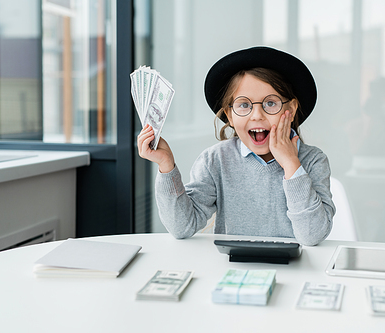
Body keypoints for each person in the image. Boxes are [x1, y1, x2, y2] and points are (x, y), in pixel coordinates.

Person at [137, 46, 335, 246]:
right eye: (244, 105)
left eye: (270, 103)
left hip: (295, 271)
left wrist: (292, 164)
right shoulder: (215, 160)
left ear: (291, 110)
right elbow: (182, 226)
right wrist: (166, 165)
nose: (257, 115)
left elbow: (313, 236)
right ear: (229, 115)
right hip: (233, 270)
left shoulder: (313, 161)